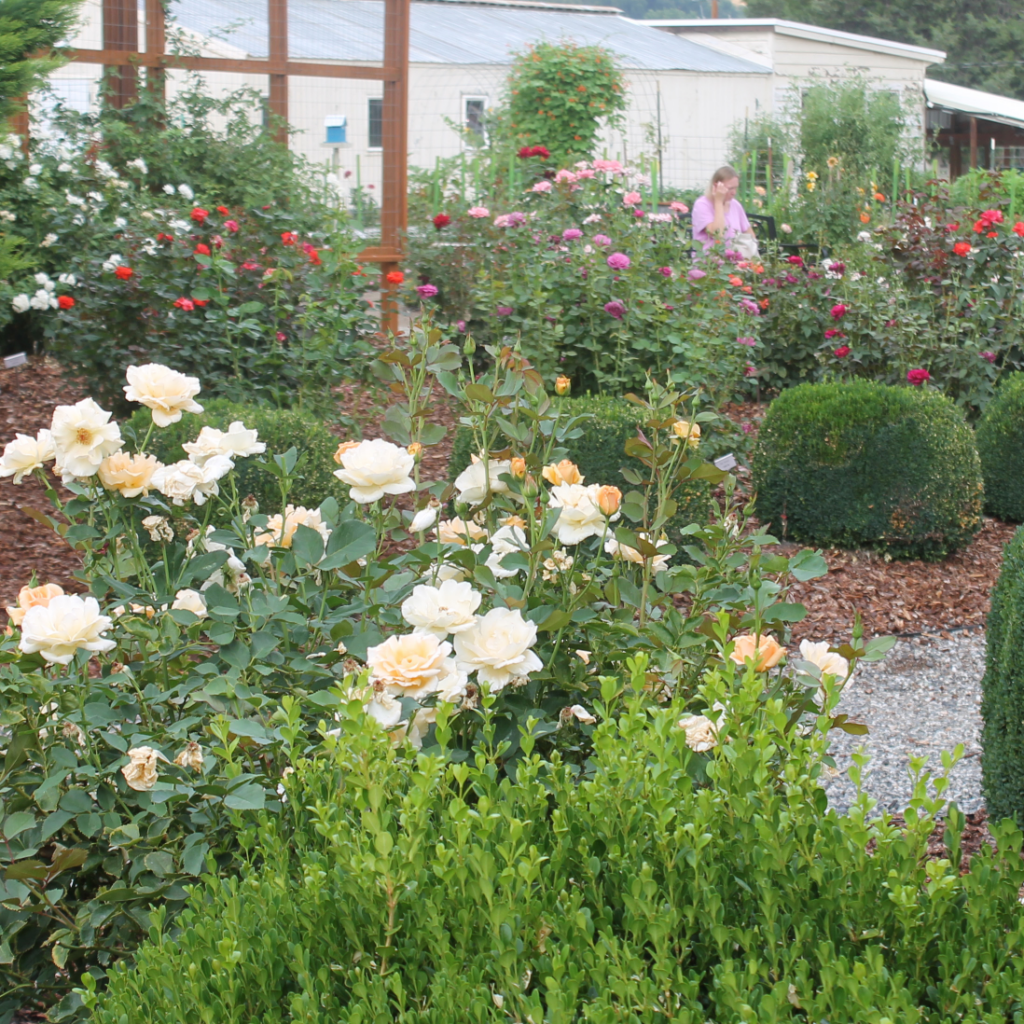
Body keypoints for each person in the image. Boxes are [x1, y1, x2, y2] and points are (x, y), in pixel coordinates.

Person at [691, 165, 757, 256]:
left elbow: (751, 236)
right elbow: (718, 234)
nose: (734, 192)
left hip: (734, 260)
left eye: (735, 188)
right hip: (709, 261)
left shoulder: (735, 205)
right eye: (730, 188)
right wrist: (718, 201)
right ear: (716, 186)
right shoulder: (702, 204)